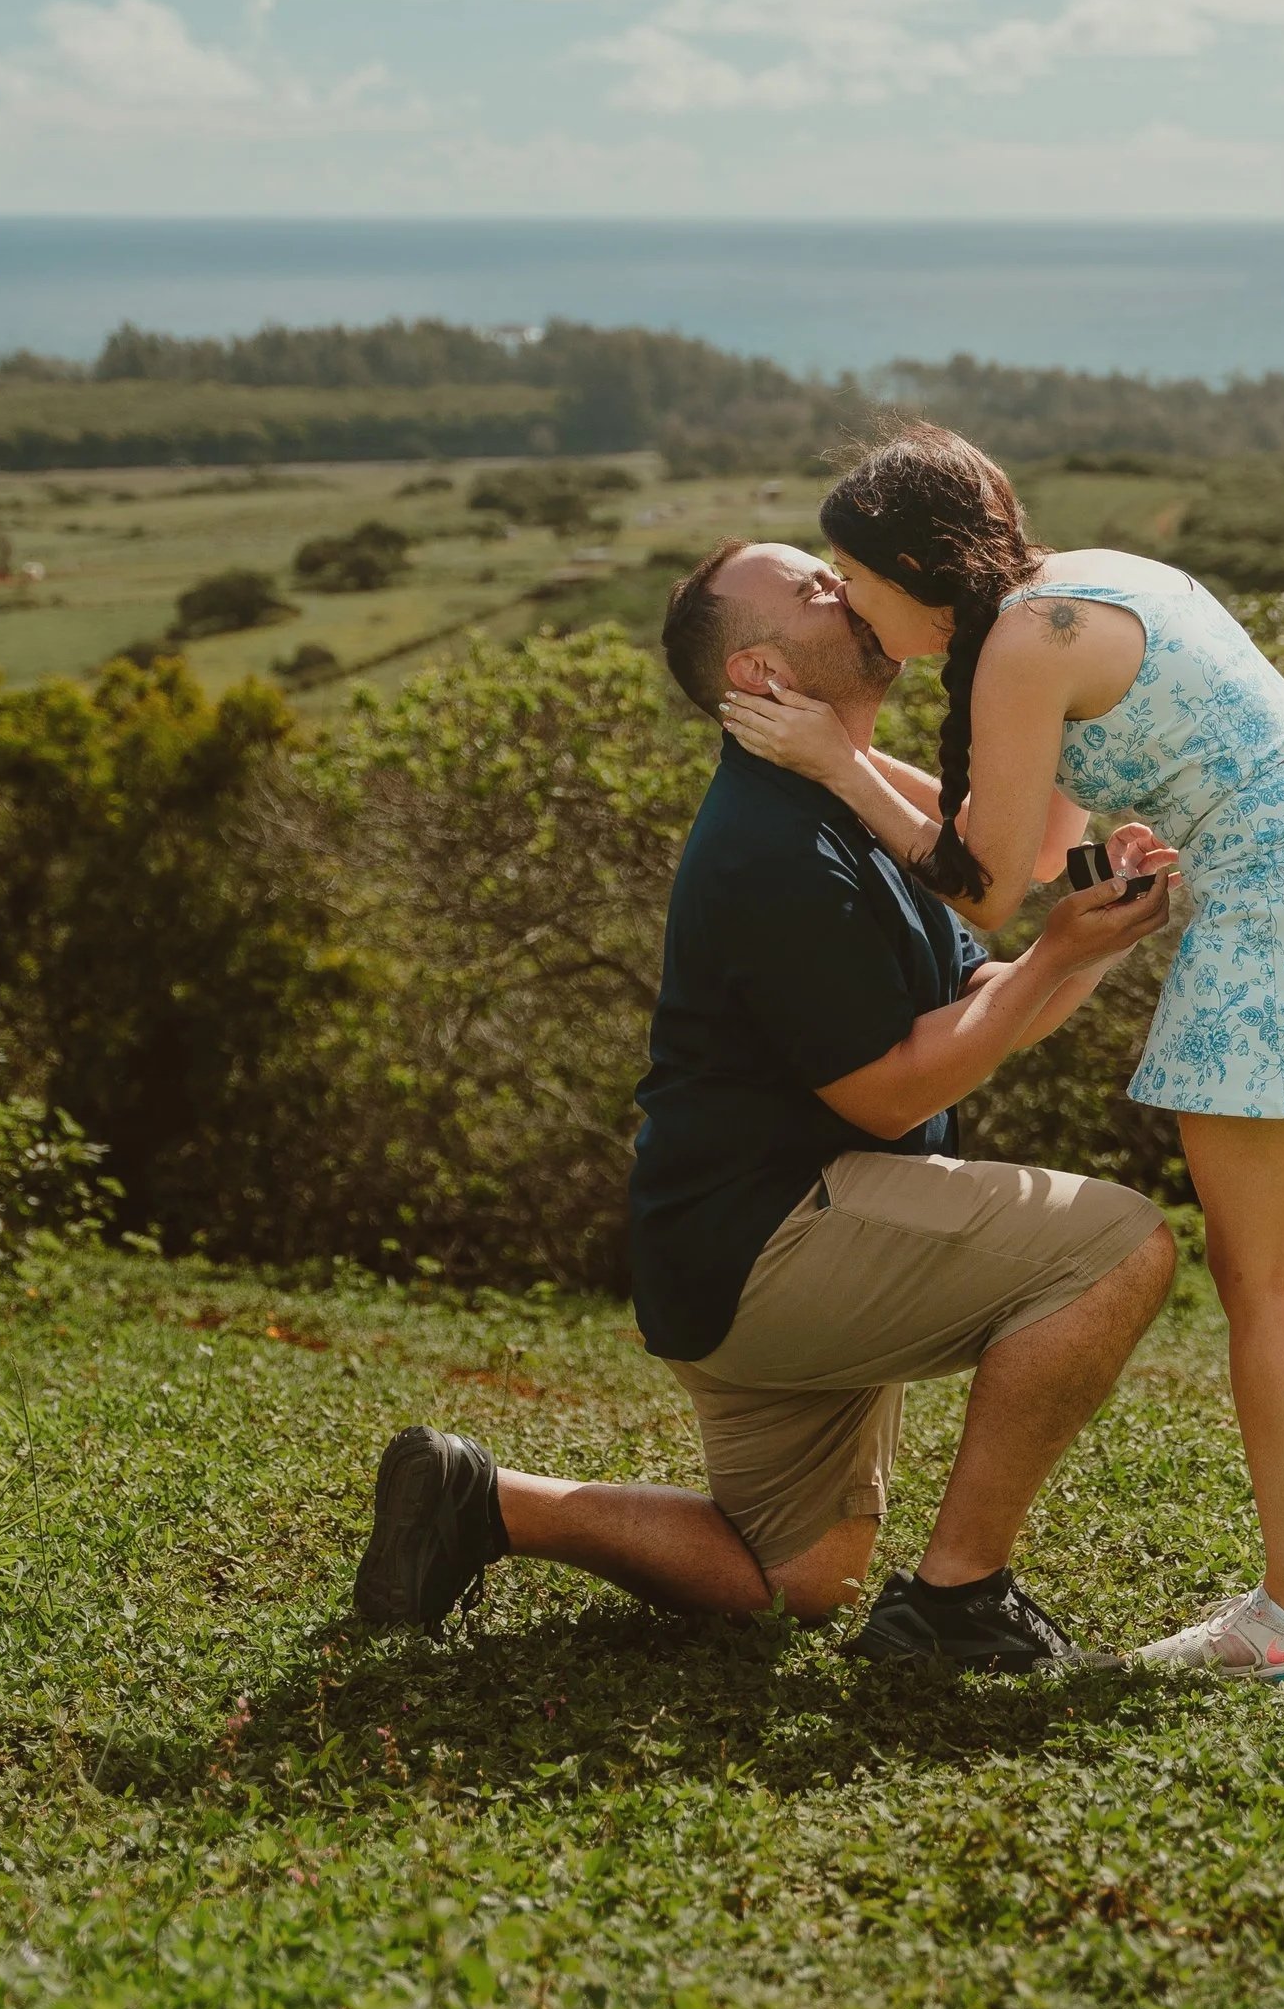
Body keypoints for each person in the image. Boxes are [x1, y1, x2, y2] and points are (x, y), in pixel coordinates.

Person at [351, 537, 1176, 1672]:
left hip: (735, 1251)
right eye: (810, 588)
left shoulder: (844, 802)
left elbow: (973, 997)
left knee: (796, 1578)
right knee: (1120, 1246)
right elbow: (889, 1094)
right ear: (758, 675)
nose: (846, 587)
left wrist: (1088, 939)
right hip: (774, 1240)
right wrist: (1048, 963)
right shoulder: (770, 846)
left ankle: (484, 1500)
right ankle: (958, 1597)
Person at [717, 427, 1284, 1681]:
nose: (848, 603)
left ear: (916, 561)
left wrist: (834, 761)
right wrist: (867, 774)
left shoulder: (1017, 647)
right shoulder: (1090, 587)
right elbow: (1028, 836)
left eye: (854, 575)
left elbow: (981, 890)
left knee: (1265, 1281)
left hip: (1277, 929)